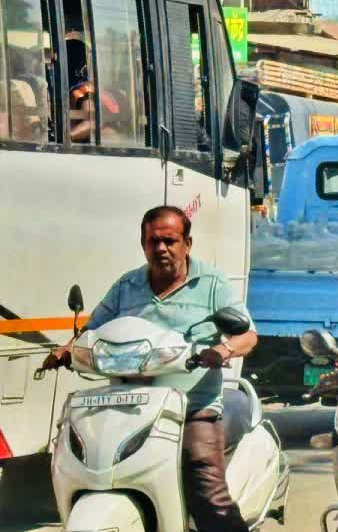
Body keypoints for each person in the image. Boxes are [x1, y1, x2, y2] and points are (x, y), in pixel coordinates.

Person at [40, 206, 258, 532]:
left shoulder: (212, 283)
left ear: (187, 244)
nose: (161, 248)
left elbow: (247, 335)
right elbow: (91, 330)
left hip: (192, 409)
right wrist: (67, 350)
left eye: (170, 241)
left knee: (207, 491)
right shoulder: (127, 285)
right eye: (153, 241)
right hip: (129, 405)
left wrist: (222, 350)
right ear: (143, 245)